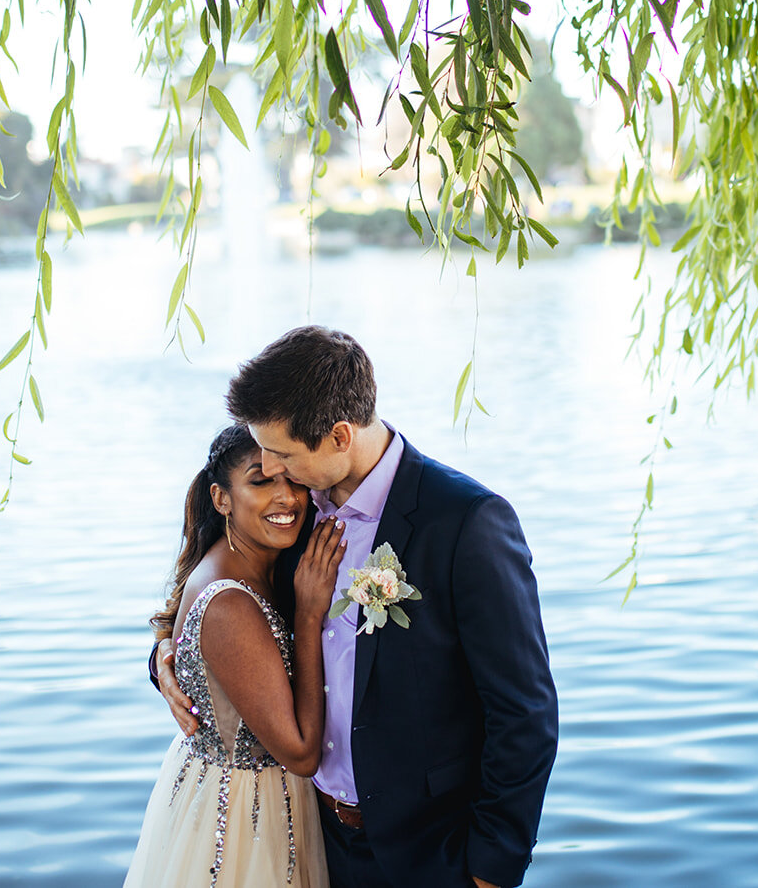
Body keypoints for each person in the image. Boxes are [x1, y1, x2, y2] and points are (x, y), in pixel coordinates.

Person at [155, 326, 560, 888]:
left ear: (339, 435)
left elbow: (525, 714)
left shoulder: (465, 523)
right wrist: (167, 657)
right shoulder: (293, 517)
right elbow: (221, 593)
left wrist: (491, 870)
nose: (271, 469)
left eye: (282, 453)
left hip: (431, 851)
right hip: (313, 839)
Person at [125, 424, 348, 888]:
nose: (286, 497)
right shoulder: (229, 602)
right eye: (261, 481)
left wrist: (163, 652)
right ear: (222, 498)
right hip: (245, 822)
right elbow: (302, 754)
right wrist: (308, 614)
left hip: (253, 802)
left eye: (292, 479)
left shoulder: (262, 561)